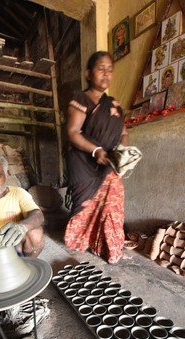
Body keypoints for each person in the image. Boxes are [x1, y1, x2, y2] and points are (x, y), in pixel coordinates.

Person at [64, 51, 129, 264]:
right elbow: (73, 132)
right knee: (85, 204)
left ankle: (108, 247)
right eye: (101, 68)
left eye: (110, 70)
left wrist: (123, 153)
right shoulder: (80, 99)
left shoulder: (115, 105)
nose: (106, 74)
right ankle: (83, 240)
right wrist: (95, 151)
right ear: (88, 73)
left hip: (109, 163)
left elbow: (124, 133)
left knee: (112, 206)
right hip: (84, 163)